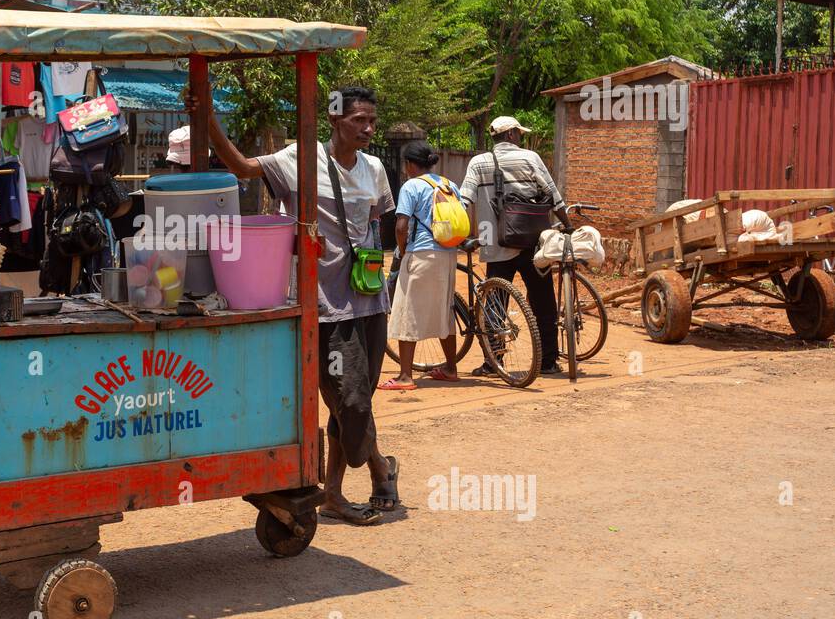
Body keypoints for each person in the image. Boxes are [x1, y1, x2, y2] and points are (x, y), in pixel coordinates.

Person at [207, 85, 398, 524]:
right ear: (334, 119)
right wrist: (209, 120)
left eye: (372, 120)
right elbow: (240, 167)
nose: (368, 128)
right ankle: (380, 467)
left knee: (356, 399)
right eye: (358, 120)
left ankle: (335, 493)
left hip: (370, 301)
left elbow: (372, 229)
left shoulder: (374, 169)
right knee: (349, 401)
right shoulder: (299, 158)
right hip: (323, 304)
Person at [459, 116, 571, 375]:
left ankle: (493, 362)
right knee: (543, 302)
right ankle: (548, 362)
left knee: (495, 302)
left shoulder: (478, 162)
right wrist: (567, 224)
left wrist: (459, 234)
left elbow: (464, 200)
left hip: (497, 244)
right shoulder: (530, 158)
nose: (520, 137)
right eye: (518, 133)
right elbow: (553, 195)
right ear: (510, 135)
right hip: (534, 244)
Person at [382, 142, 460, 390]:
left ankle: (405, 376)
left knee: (407, 311)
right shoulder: (449, 184)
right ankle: (450, 368)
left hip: (422, 253)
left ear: (409, 164)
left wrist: (404, 253)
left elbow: (401, 226)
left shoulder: (411, 186)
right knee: (444, 309)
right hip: (448, 253)